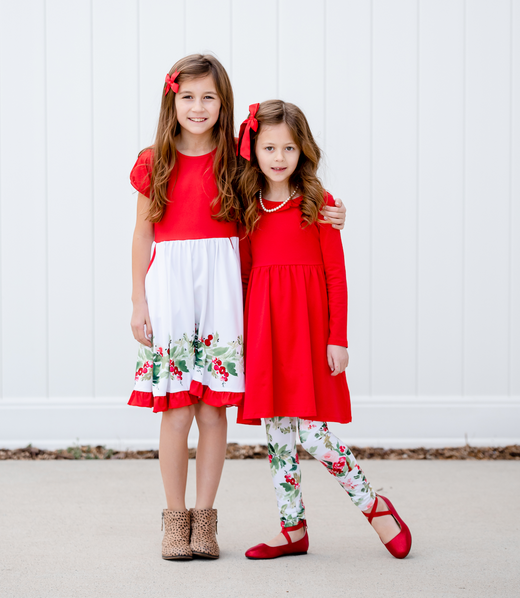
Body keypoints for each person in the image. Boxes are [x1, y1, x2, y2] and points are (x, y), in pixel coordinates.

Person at [129, 55, 346, 561]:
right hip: (172, 288)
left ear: (223, 102)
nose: (198, 107)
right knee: (177, 407)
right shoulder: (153, 160)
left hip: (223, 286)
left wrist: (332, 210)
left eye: (209, 97)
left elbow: (282, 189)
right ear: (172, 101)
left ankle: (205, 521)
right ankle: (174, 518)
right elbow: (142, 232)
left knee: (212, 408)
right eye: (188, 97)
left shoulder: (237, 158)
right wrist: (139, 299)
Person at [236, 100, 412, 560]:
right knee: (278, 437)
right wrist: (246, 341)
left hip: (310, 333)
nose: (279, 157)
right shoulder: (247, 209)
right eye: (269, 146)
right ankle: (292, 528)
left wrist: (339, 337)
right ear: (253, 149)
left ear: (303, 150)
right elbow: (246, 276)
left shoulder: (321, 205)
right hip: (267, 333)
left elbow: (336, 275)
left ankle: (374, 506)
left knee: (314, 434)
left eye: (289, 147)